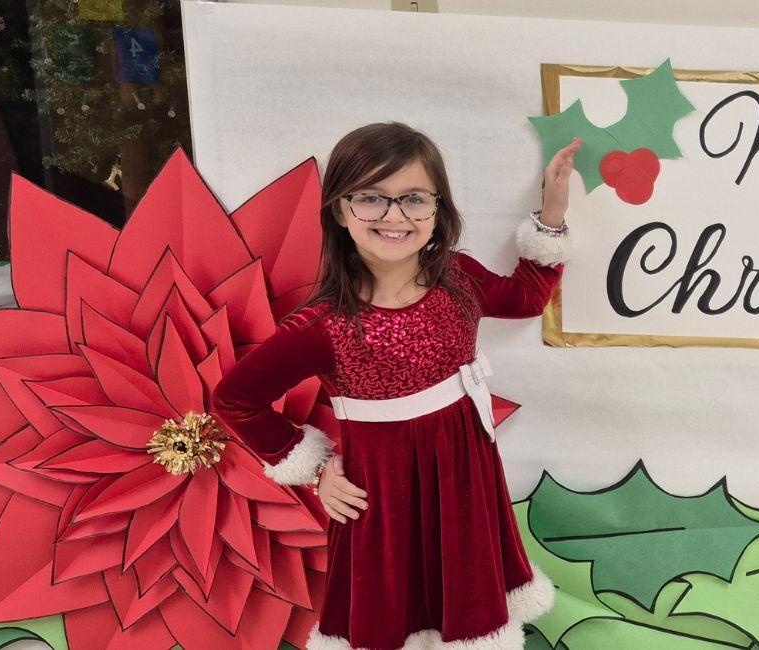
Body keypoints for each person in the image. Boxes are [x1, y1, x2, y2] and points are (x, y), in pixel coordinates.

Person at [213, 122, 582, 649]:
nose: (394, 216)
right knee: (389, 617)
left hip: (465, 484)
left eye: (413, 198)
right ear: (340, 211)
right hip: (385, 503)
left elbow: (525, 298)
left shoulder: (459, 278)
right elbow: (234, 399)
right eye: (371, 198)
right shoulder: (323, 324)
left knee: (469, 614)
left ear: (438, 209)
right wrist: (316, 468)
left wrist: (553, 212)